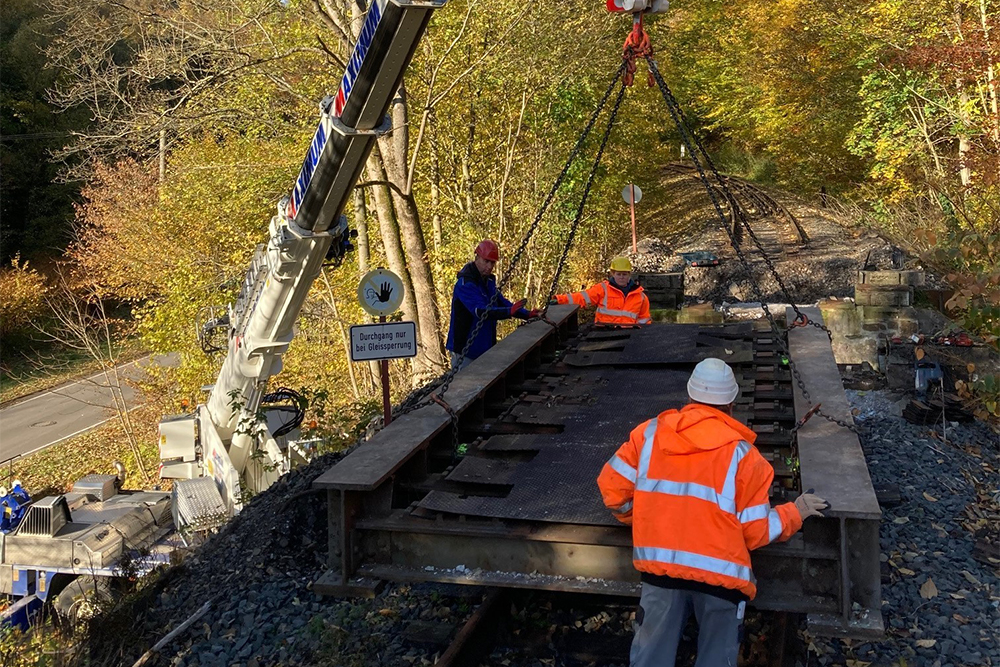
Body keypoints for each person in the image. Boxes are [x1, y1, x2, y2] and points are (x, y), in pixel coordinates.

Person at [597, 358, 829, 667]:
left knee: (650, 658)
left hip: (660, 572)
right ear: (731, 404)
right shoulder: (746, 458)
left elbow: (613, 492)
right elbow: (755, 532)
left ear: (690, 398)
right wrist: (794, 512)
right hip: (721, 582)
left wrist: (641, 517)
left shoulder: (648, 436)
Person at [446, 239, 539, 370]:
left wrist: (527, 314)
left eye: (492, 263)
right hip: (464, 350)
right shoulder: (465, 284)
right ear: (477, 257)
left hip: (484, 347)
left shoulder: (488, 282)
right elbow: (480, 311)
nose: (489, 266)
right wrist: (508, 312)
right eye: (486, 261)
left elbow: (501, 302)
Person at [551, 256, 651, 326]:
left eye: (624, 274)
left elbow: (645, 319)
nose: (621, 277)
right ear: (613, 273)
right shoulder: (603, 289)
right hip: (604, 334)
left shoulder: (640, 297)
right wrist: (559, 299)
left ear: (629, 274)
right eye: (618, 274)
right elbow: (582, 298)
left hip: (629, 336)